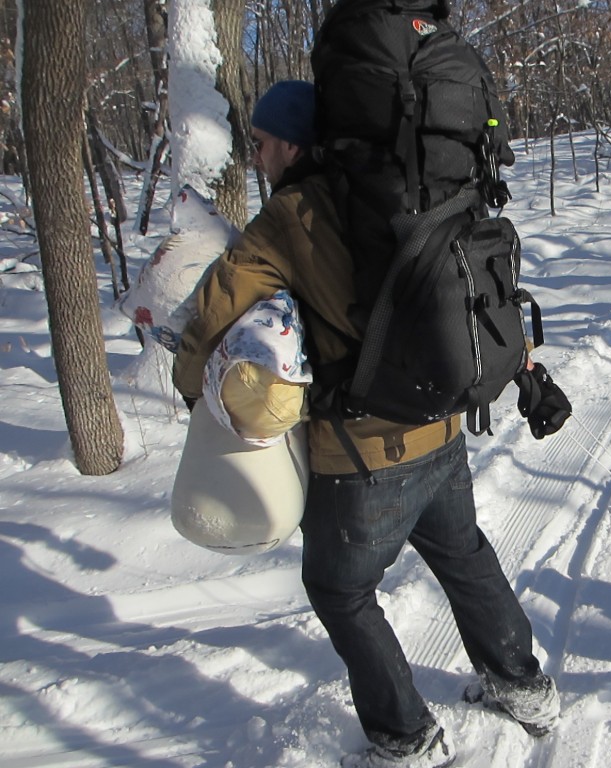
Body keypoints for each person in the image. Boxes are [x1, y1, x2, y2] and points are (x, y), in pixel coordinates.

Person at [172, 80, 560, 768]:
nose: (258, 158)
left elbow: (210, 315)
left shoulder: (292, 214)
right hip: (441, 425)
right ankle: (522, 684)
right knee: (464, 553)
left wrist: (190, 385)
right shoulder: (408, 190)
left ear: (293, 144)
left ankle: (403, 734)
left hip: (362, 455)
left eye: (262, 144)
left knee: (340, 589)